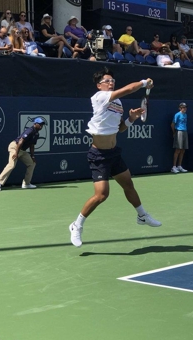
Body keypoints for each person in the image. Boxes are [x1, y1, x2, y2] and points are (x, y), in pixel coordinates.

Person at [69, 67, 161, 247]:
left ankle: (142, 216)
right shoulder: (100, 97)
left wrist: (131, 119)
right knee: (102, 195)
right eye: (107, 81)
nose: (111, 83)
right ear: (99, 85)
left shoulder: (117, 103)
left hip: (114, 152)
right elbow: (129, 89)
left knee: (128, 184)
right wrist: (144, 83)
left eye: (112, 81)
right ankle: (76, 225)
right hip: (99, 155)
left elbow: (119, 129)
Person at [0, 117, 45, 191]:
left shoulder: (36, 134)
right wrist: (16, 153)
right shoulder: (29, 131)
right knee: (11, 165)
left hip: (22, 151)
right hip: (15, 147)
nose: (41, 126)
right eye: (40, 124)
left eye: (42, 124)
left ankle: (26, 184)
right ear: (35, 124)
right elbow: (21, 141)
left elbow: (32, 145)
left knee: (32, 163)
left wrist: (32, 156)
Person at [170, 102, 188, 174]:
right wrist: (174, 132)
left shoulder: (185, 115)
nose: (185, 108)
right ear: (180, 108)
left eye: (185, 107)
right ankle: (174, 167)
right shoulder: (177, 115)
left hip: (185, 132)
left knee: (183, 150)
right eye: (183, 107)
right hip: (179, 132)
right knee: (178, 149)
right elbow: (172, 124)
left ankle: (179, 166)